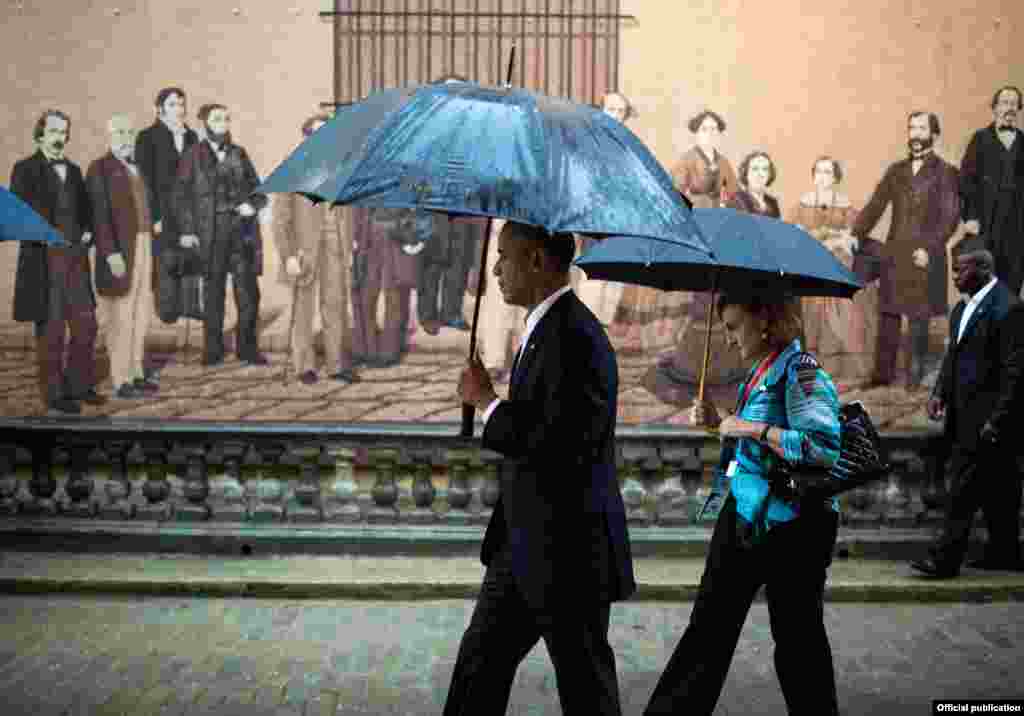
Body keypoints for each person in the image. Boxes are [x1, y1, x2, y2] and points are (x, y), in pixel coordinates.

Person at [450, 221, 636, 715]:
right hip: (525, 541)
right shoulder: (545, 328)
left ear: (537, 261)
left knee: (585, 684)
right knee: (479, 666)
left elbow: (557, 443)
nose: (496, 268)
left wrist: (488, 405)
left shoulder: (576, 336)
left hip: (568, 549)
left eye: (505, 256)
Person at [644, 290, 842, 716]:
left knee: (798, 643)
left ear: (765, 320)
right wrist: (720, 424)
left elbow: (823, 448)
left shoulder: (802, 372)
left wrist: (750, 427)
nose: (730, 338)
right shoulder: (761, 371)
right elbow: (751, 443)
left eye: (735, 327)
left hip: (793, 529)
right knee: (707, 633)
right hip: (744, 517)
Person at [911, 236, 1021, 577]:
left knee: (962, 487)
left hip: (988, 418)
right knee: (999, 487)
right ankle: (1005, 554)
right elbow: (953, 357)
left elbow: (1015, 371)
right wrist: (939, 394)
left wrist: (998, 419)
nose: (955, 276)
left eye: (961, 270)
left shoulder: (1008, 307)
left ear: (983, 270)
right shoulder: (962, 308)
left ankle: (945, 560)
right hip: (963, 413)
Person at [644, 150, 779, 410]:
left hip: (765, 268)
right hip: (743, 265)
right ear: (746, 174)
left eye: (764, 169)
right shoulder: (738, 201)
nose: (760, 175)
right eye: (755, 169)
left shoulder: (772, 204)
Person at [852, 111, 961, 389]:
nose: (915, 134)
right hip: (895, 250)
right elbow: (876, 205)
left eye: (921, 128)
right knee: (888, 313)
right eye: (911, 128)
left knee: (918, 315)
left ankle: (915, 374)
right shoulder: (896, 170)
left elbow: (950, 217)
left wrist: (930, 248)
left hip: (924, 253)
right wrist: (856, 233)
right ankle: (882, 375)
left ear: (934, 134)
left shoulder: (946, 172)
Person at [11, 109, 104, 414]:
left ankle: (80, 386)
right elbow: (18, 216)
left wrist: (89, 230)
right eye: (53, 131)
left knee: (86, 324)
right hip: (44, 262)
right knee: (51, 330)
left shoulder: (74, 170)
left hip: (76, 259)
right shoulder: (24, 169)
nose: (59, 137)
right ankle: (54, 393)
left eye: (64, 131)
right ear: (40, 133)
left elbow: (87, 210)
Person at [172, 103, 268, 366]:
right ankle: (212, 350)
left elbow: (259, 191)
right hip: (209, 234)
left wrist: (253, 204)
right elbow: (180, 197)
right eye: (217, 119)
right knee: (213, 294)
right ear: (205, 123)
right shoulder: (193, 156)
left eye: (227, 119)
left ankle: (247, 349)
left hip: (241, 233)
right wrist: (188, 230)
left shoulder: (239, 154)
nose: (223, 123)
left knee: (248, 292)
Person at [271, 114, 359, 385]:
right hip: (304, 250)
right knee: (304, 310)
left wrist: (351, 242)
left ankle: (336, 365)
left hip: (335, 246)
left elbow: (349, 209)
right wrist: (287, 255)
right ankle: (304, 366)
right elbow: (281, 217)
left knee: (335, 306)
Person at [86, 114, 158, 400]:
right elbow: (99, 217)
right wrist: (110, 253)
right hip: (119, 250)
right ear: (110, 136)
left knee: (140, 313)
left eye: (129, 133)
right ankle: (121, 378)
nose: (126, 138)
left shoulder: (137, 169)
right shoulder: (100, 169)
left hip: (143, 244)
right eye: (119, 133)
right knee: (121, 316)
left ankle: (136, 372)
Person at [789, 156, 878, 383]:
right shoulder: (802, 204)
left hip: (838, 264)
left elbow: (854, 235)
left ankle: (840, 372)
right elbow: (793, 234)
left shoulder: (846, 205)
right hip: (810, 265)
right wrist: (816, 239)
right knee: (812, 315)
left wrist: (839, 240)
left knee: (842, 315)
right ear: (813, 175)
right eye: (819, 171)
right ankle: (810, 370)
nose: (823, 176)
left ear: (835, 177)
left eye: (828, 172)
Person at [134, 87, 199, 326]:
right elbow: (144, 180)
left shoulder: (192, 137)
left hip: (189, 210)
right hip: (162, 209)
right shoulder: (147, 137)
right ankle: (167, 309)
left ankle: (190, 305)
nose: (179, 109)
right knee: (166, 258)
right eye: (172, 104)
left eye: (181, 104)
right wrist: (154, 216)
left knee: (190, 255)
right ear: (159, 109)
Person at [575, 91, 640, 327]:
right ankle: (585, 328)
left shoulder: (628, 145)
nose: (616, 115)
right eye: (611, 109)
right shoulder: (588, 140)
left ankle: (603, 328)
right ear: (601, 111)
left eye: (621, 111)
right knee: (593, 275)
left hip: (621, 217)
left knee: (614, 278)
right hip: (595, 215)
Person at [959, 85, 1024, 297]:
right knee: (983, 286)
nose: (1009, 108)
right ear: (995, 108)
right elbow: (966, 182)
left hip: (1017, 229)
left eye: (1014, 104)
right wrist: (969, 217)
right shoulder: (980, 140)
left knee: (1012, 285)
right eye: (1005, 103)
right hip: (986, 226)